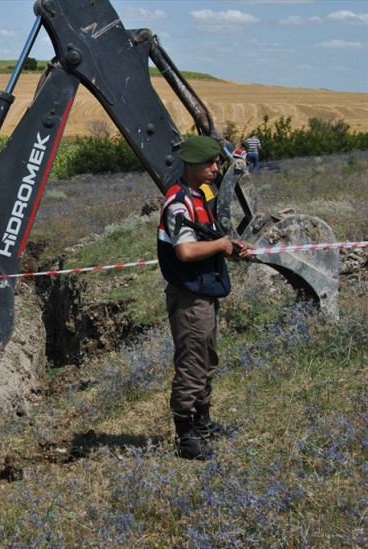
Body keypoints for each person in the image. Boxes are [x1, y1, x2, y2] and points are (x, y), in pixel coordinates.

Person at [157, 135, 249, 460]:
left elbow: (205, 235)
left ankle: (203, 423)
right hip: (190, 296)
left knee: (206, 359)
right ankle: (185, 437)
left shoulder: (200, 193)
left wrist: (229, 247)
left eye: (216, 162)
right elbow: (185, 250)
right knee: (192, 364)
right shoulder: (179, 202)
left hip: (204, 291)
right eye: (209, 163)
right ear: (191, 165)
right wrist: (222, 246)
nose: (215, 168)